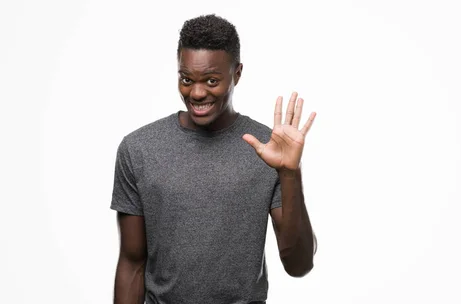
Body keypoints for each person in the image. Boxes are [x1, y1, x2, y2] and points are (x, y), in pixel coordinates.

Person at [110, 14, 317, 304]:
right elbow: (132, 264)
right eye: (186, 79)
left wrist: (290, 174)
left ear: (237, 73)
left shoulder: (269, 150)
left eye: (211, 80)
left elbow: (299, 265)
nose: (196, 93)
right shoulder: (139, 149)